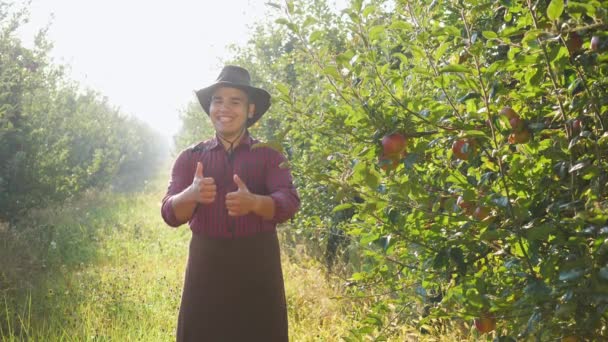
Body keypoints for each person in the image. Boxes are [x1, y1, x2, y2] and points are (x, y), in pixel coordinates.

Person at [161, 65, 300, 342]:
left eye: (235, 101)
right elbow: (169, 213)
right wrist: (191, 194)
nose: (225, 108)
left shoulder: (269, 155)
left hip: (258, 264)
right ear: (210, 108)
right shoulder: (190, 157)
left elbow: (289, 202)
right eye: (218, 100)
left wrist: (254, 203)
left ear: (250, 110)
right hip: (206, 263)